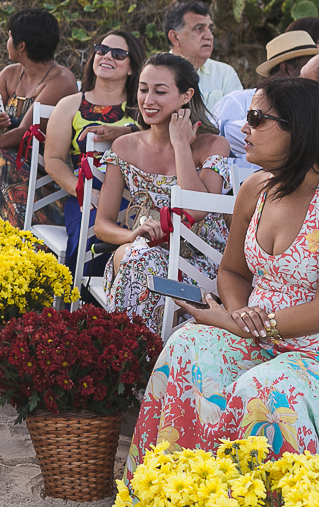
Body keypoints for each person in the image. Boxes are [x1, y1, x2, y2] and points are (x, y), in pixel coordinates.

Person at [124, 76, 319, 479]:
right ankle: (172, 489)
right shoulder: (256, 188)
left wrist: (248, 325)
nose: (243, 127)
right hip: (254, 329)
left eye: (256, 117)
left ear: (298, 128)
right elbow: (232, 271)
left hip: (309, 349)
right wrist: (238, 312)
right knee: (186, 346)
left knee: (262, 393)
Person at [94, 52, 231, 329]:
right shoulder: (125, 147)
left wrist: (180, 144)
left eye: (160, 91)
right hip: (144, 255)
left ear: (185, 95)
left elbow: (196, 209)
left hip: (204, 268)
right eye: (143, 89)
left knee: (137, 260)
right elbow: (103, 224)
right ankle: (136, 356)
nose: (147, 100)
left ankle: (128, 355)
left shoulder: (212, 145)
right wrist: (132, 235)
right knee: (137, 256)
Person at [0, 8, 78, 227]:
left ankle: (13, 241)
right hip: (6, 163)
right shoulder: (10, 74)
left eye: (9, 36)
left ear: (22, 46)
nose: (7, 41)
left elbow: (24, 134)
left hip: (45, 174)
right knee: (0, 158)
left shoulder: (61, 80)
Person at [44, 30, 145, 271]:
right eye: (102, 49)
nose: (108, 56)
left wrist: (127, 131)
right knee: (88, 239)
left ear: (132, 67)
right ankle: (78, 306)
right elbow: (54, 159)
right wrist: (82, 191)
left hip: (136, 198)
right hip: (87, 194)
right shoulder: (70, 105)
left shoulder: (143, 107)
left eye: (119, 54)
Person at [213, 29, 318, 168]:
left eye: (254, 118)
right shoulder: (237, 101)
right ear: (286, 69)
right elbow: (221, 134)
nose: (246, 128)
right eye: (253, 117)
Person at [164, 1, 241, 111]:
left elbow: (238, 120)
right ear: (175, 37)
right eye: (199, 29)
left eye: (210, 29)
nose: (209, 36)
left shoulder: (224, 73)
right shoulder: (154, 75)